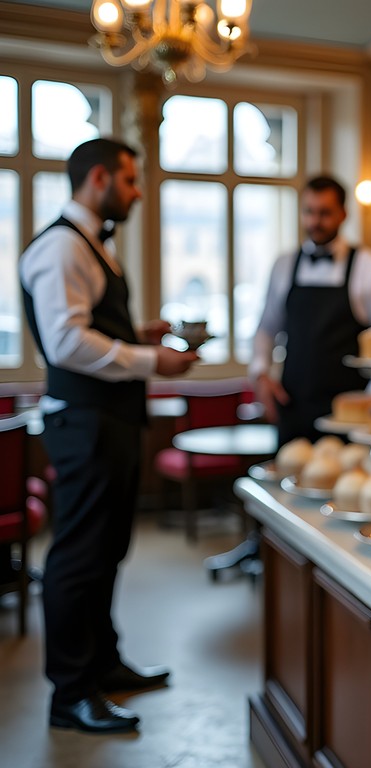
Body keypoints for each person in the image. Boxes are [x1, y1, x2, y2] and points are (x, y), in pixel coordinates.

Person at [20, 138, 199, 734]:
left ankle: (101, 663)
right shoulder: (62, 247)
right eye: (130, 179)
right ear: (98, 179)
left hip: (110, 422)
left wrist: (138, 334)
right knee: (76, 559)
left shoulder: (91, 246)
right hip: (84, 424)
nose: (138, 190)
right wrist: (151, 360)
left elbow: (91, 329)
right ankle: (69, 694)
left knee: (105, 553)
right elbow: (67, 343)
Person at [250, 175, 371, 446]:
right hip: (294, 409)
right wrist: (261, 372)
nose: (314, 222)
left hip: (348, 417)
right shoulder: (284, 265)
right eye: (308, 212)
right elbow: (266, 329)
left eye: (324, 213)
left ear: (344, 214)